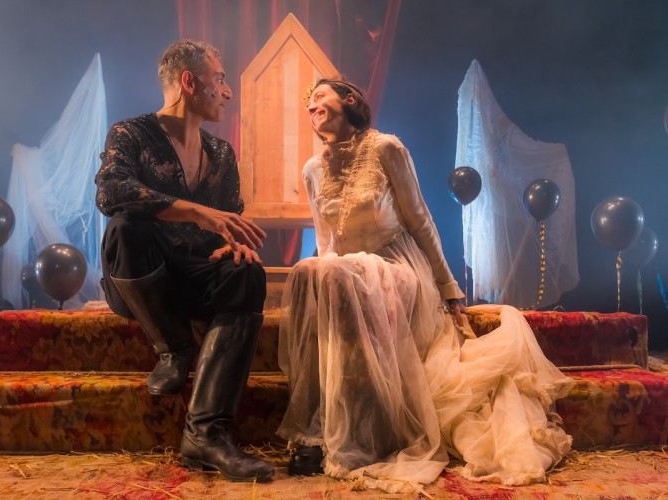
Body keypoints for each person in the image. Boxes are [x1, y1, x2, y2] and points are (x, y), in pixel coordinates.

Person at [277, 78, 574, 493]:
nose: (312, 104)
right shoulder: (312, 169)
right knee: (310, 269)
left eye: (320, 95)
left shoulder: (386, 148)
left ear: (350, 99)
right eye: (308, 102)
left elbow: (420, 221)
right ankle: (316, 431)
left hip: (397, 267)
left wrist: (447, 285)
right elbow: (326, 241)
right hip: (343, 274)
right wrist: (324, 275)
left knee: (334, 273)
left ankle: (361, 434)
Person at [95, 39, 274, 482]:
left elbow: (230, 217)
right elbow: (111, 191)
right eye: (220, 79)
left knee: (247, 272)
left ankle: (206, 435)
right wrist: (196, 212)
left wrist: (234, 244)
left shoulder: (222, 153)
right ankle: (173, 348)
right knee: (125, 227)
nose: (227, 91)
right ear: (189, 82)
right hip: (142, 279)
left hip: (193, 275)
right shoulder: (130, 133)